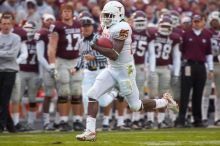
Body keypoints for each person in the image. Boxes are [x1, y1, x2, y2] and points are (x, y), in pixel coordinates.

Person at [76, 1, 178, 141]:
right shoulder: (107, 26)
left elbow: (114, 54)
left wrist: (96, 47)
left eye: (109, 15)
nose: (106, 18)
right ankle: (90, 131)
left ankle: (165, 102)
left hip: (125, 71)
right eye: (105, 15)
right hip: (111, 68)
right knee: (92, 94)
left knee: (135, 106)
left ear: (119, 15)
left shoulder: (123, 27)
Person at [48, 3, 83, 131]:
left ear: (72, 13)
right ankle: (63, 121)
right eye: (64, 11)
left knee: (76, 91)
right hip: (62, 61)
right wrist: (52, 65)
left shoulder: (78, 25)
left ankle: (77, 120)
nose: (67, 13)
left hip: (75, 60)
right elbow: (52, 47)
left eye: (69, 11)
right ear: (60, 13)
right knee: (64, 92)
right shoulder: (57, 26)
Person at [176, 14, 214, 127]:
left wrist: (211, 69)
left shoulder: (207, 35)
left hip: (201, 66)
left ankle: (197, 119)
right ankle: (181, 119)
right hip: (188, 65)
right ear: (192, 22)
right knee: (185, 93)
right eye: (195, 21)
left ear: (203, 22)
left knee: (198, 94)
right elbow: (180, 51)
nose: (196, 23)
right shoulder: (186, 34)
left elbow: (209, 54)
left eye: (198, 21)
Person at [148, 16, 181, 128]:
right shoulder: (153, 35)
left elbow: (177, 56)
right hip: (154, 67)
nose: (165, 28)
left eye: (167, 26)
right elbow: (150, 54)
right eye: (163, 26)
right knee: (152, 95)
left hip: (165, 68)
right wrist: (151, 70)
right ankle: (150, 120)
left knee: (165, 96)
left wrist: (176, 73)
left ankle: (161, 121)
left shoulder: (174, 38)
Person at [34, 13, 56, 131]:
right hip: (48, 68)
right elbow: (40, 56)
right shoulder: (42, 33)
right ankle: (46, 122)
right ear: (43, 21)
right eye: (48, 20)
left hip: (59, 66)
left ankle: (58, 120)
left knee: (62, 95)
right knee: (48, 95)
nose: (50, 22)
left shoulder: (56, 32)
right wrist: (49, 67)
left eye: (52, 20)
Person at [0, 15, 21, 133]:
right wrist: (6, 53)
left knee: (5, 99)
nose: (6, 26)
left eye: (8, 23)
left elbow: (13, 55)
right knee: (1, 100)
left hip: (10, 71)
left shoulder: (16, 38)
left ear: (12, 24)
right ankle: (10, 125)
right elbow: (9, 54)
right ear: (0, 24)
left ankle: (1, 125)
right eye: (4, 23)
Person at [19, 21, 41, 131]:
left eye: (29, 28)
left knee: (32, 98)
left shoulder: (38, 41)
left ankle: (30, 122)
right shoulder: (19, 39)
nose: (27, 30)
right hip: (21, 71)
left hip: (34, 72)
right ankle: (16, 122)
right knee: (17, 97)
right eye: (25, 28)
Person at [202, 11, 220, 126]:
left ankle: (218, 117)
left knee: (219, 94)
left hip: (219, 64)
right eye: (213, 21)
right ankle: (204, 116)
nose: (214, 23)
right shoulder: (207, 33)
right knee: (206, 92)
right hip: (209, 64)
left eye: (216, 21)